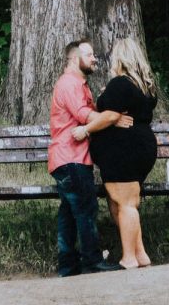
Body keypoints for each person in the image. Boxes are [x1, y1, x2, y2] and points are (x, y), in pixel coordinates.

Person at [72, 35, 158, 269]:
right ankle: (140, 255)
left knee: (127, 203)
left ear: (120, 59)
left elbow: (109, 114)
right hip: (138, 148)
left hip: (124, 151)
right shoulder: (144, 86)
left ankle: (128, 258)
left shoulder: (120, 84)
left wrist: (86, 130)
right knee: (122, 202)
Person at [48, 37, 130, 276]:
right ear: (75, 59)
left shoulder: (77, 85)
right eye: (90, 54)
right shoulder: (70, 84)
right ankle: (92, 261)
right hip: (71, 158)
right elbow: (84, 115)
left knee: (69, 213)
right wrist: (113, 117)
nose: (95, 58)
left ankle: (67, 266)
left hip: (66, 159)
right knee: (86, 208)